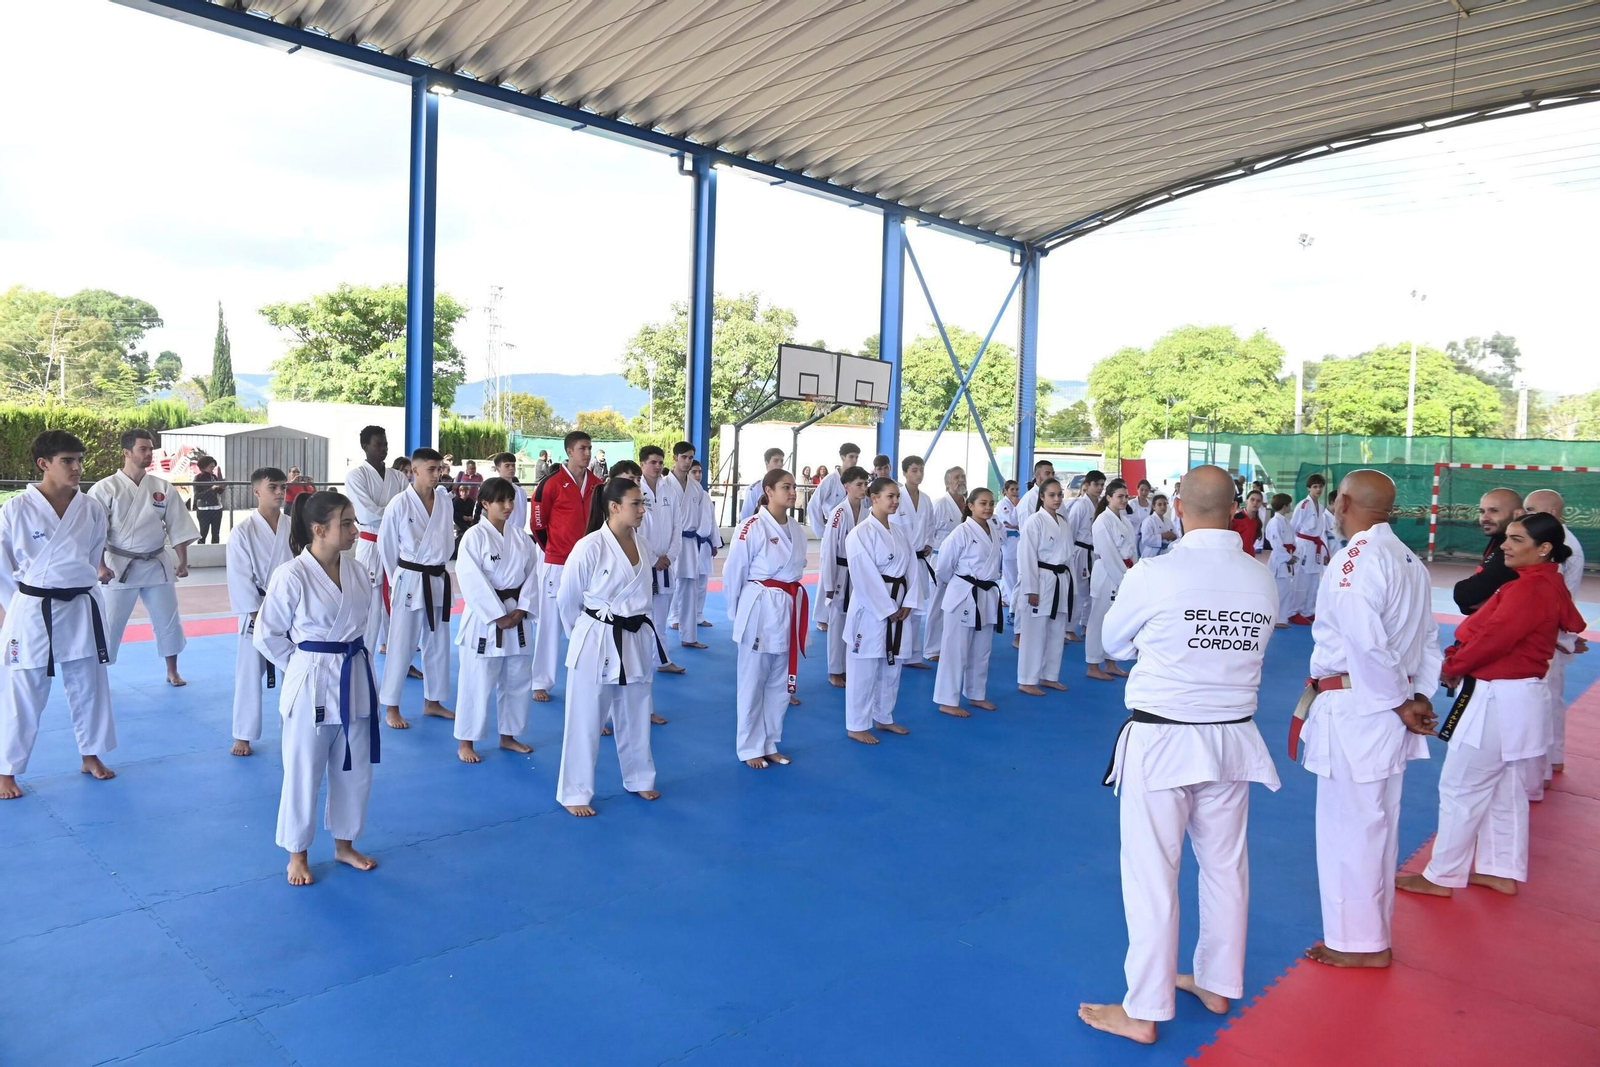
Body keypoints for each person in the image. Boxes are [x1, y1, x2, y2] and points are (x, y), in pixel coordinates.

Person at [1078, 465, 1282, 1047]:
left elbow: (1113, 642)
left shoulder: (1156, 573)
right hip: (1233, 739)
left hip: (1165, 740)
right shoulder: (1261, 579)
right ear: (1234, 510)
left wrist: (1161, 640)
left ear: (1179, 509)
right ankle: (1217, 982)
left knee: (1152, 875)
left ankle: (1143, 1010)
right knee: (1225, 867)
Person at [1395, 512, 1585, 903]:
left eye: (1516, 540)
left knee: (1461, 786)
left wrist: (1452, 667)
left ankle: (1443, 875)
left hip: (1499, 698)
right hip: (1518, 697)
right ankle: (1500, 870)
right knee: (1503, 787)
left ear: (1544, 548)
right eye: (1507, 538)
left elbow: (1493, 640)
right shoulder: (1546, 584)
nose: (1505, 546)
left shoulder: (1529, 589)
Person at [1299, 469, 1440, 969]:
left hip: (1361, 709)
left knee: (1350, 828)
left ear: (1343, 502)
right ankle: (1368, 935)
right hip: (1386, 708)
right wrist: (1418, 694)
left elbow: (1366, 643)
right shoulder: (1409, 560)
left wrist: (1403, 701)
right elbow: (1428, 640)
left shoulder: (1355, 560)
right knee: (1377, 824)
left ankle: (1358, 943)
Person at [254, 490, 380, 886]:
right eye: (347, 523)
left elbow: (364, 626)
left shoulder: (357, 571)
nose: (355, 530)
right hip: (311, 683)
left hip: (354, 677)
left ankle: (345, 844)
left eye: (354, 522)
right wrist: (303, 666)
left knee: (355, 769)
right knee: (303, 771)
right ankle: (297, 853)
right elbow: (267, 634)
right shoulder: (291, 575)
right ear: (319, 529)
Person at [0, 431, 116, 799]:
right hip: (33, 609)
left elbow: (91, 560)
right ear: (44, 463)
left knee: (89, 684)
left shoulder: (91, 509)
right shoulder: (16, 509)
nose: (77, 467)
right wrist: (12, 611)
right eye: (67, 460)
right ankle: (6, 769)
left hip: (80, 606)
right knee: (24, 689)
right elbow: (3, 567)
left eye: (79, 459)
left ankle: (90, 754)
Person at [554, 477, 663, 816]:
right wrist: (584, 635)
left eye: (643, 503)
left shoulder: (643, 545)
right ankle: (574, 791)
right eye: (636, 504)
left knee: (636, 711)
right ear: (614, 507)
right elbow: (567, 599)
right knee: (586, 717)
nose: (642, 510)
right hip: (596, 638)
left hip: (635, 637)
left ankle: (639, 777)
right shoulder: (589, 547)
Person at [89, 428, 199, 687]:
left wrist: (182, 561)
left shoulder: (162, 487)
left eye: (150, 449)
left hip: (156, 564)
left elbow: (177, 525)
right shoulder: (105, 488)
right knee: (110, 623)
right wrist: (100, 566)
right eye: (143, 449)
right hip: (119, 566)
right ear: (126, 452)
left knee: (168, 619)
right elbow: (95, 532)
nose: (149, 453)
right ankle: (98, 674)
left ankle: (172, 670)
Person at [724, 468, 810, 767]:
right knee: (753, 681)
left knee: (780, 683)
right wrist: (738, 614)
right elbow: (734, 572)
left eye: (794, 487)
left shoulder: (797, 529)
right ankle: (749, 747)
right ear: (768, 491)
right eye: (786, 487)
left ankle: (770, 742)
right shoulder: (751, 526)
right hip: (759, 609)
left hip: (789, 606)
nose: (792, 492)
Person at [453, 476, 539, 764]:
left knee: (517, 680)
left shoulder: (521, 538)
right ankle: (466, 741)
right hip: (486, 621)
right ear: (485, 503)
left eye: (510, 499)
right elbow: (470, 580)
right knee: (476, 682)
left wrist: (522, 608)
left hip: (517, 617)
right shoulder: (474, 537)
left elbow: (533, 575)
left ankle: (508, 735)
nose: (508, 506)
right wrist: (497, 615)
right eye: (500, 500)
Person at [377, 448, 455, 730]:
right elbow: (386, 546)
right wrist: (395, 579)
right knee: (402, 643)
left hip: (437, 576)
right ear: (415, 470)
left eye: (439, 469)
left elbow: (447, 539)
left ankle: (433, 701)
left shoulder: (444, 501)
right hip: (410, 576)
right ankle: (391, 706)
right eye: (431, 469)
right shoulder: (399, 503)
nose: (437, 474)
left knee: (438, 643)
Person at [844, 477, 922, 744]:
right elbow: (863, 575)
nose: (896, 501)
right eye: (890, 496)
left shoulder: (899, 532)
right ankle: (856, 724)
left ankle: (884, 716)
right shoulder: (860, 534)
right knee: (864, 667)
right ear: (874, 498)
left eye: (897, 496)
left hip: (899, 602)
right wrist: (886, 608)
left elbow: (912, 568)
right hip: (871, 608)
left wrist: (909, 601)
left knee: (892, 665)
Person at [225, 467, 293, 756]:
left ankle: (293, 727)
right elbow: (240, 578)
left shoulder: (294, 525)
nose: (280, 492)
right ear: (256, 491)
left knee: (295, 670)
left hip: (291, 607)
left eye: (283, 487)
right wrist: (259, 616)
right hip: (257, 610)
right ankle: (243, 735)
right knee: (249, 673)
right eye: (273, 487)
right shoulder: (242, 531)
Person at [1522, 489, 1586, 791]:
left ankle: (1542, 769)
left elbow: (1550, 599)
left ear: (1552, 513)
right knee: (1550, 699)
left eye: (1531, 510)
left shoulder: (1559, 546)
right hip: (1554, 631)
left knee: (1543, 701)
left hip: (1548, 633)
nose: (1525, 515)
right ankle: (1553, 759)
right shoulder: (1560, 539)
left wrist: (1562, 636)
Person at [531, 431, 597, 702]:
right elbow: (537, 523)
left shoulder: (597, 484)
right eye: (582, 448)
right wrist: (553, 550)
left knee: (588, 622)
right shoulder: (551, 483)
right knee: (550, 623)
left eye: (590, 448)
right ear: (570, 451)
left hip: (588, 564)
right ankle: (540, 681)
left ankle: (588, 677)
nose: (587, 453)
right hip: (557, 562)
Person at [933, 487, 1003, 717]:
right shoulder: (960, 532)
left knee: (982, 649)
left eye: (991, 503)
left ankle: (976, 693)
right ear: (970, 506)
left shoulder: (993, 530)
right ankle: (947, 700)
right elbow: (943, 568)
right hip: (964, 594)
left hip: (986, 594)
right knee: (956, 649)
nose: (988, 507)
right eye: (983, 503)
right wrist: (958, 584)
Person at [345, 427, 411, 659]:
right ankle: (365, 661)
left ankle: (398, 659)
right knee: (371, 607)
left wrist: (393, 513)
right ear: (365, 447)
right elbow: (366, 513)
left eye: (385, 444)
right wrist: (394, 513)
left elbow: (408, 509)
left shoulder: (398, 477)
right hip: (371, 546)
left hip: (395, 546)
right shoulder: (356, 476)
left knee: (398, 602)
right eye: (378, 444)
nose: (384, 449)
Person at [1017, 478, 1072, 697]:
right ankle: (1027, 680)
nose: (1057, 499)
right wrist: (1031, 588)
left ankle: (1050, 676)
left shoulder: (1063, 521)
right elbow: (1026, 556)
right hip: (1041, 579)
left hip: (1060, 579)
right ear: (1041, 497)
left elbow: (1068, 556)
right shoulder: (1034, 521)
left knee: (1057, 630)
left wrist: (1071, 587)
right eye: (1052, 495)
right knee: (1034, 632)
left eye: (1060, 495)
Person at [819, 467, 871, 687]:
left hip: (859, 575)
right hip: (840, 574)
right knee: (837, 623)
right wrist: (829, 585)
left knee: (856, 622)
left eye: (865, 484)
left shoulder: (867, 513)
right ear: (846, 486)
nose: (863, 488)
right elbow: (828, 550)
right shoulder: (838, 513)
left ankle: (849, 667)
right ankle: (835, 671)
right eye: (859, 484)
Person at [1086, 478, 1136, 681]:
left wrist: (1134, 574)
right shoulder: (1102, 521)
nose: (1124, 500)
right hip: (1107, 573)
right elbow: (1108, 553)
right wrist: (1124, 578)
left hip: (1124, 570)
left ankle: (1111, 662)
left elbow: (1132, 551)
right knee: (1098, 620)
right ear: (1108, 498)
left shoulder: (1125, 521)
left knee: (1115, 621)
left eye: (1126, 497)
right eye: (1120, 496)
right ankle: (1092, 664)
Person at [890, 455, 936, 669]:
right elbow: (891, 528)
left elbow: (931, 526)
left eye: (921, 470)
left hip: (920, 559)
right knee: (901, 606)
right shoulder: (896, 498)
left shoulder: (926, 499)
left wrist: (929, 543)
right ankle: (897, 651)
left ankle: (913, 656)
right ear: (905, 473)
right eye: (914, 470)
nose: (919, 474)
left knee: (917, 608)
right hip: (902, 561)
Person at [668, 442, 713, 651]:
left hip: (689, 542)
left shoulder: (696, 488)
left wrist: (706, 539)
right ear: (675, 457)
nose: (687, 461)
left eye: (690, 457)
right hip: (668, 542)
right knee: (664, 591)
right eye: (684, 457)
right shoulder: (664, 485)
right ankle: (658, 640)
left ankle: (689, 636)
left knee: (689, 589)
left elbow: (703, 517)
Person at [1452, 487, 1524, 614]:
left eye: (1494, 511)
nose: (1484, 518)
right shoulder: (1498, 538)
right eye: (1482, 511)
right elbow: (1468, 603)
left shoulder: (1515, 548)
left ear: (1517, 514)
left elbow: (1467, 595)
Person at [925, 466, 967, 660]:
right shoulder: (940, 504)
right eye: (957, 477)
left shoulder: (968, 504)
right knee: (938, 605)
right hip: (940, 559)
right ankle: (932, 649)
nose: (961, 480)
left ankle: (952, 645)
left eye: (963, 476)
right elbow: (929, 532)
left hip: (963, 563)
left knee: (957, 605)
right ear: (947, 482)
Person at [1064, 470, 1106, 640]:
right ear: (1087, 485)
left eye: (1102, 485)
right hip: (1081, 552)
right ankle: (1069, 629)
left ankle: (1087, 624)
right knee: (1080, 592)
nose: (1100, 488)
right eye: (1096, 484)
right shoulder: (1080, 505)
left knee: (1093, 590)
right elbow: (1071, 532)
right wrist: (1071, 555)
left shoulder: (1101, 505)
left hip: (1094, 553)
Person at [1287, 473, 1329, 625]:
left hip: (1316, 546)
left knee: (1314, 579)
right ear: (1309, 488)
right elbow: (1293, 527)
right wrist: (1292, 548)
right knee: (1301, 579)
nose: (1318, 490)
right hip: (1303, 545)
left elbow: (1321, 531)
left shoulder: (1321, 507)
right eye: (1315, 487)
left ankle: (1308, 610)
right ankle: (1293, 611)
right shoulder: (1303, 505)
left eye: (1320, 487)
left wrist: (1324, 551)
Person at [808, 442, 860, 538]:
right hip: (833, 527)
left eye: (857, 457)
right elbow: (813, 505)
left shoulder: (858, 480)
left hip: (854, 528)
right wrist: (822, 533)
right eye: (851, 457)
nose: (854, 460)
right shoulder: (830, 480)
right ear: (842, 457)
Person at [475, 452, 530, 535]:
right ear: (498, 468)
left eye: (513, 465)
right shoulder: (490, 489)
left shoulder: (521, 492)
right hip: (493, 533)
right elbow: (480, 513)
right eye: (507, 465)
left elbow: (522, 516)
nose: (511, 468)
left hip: (516, 534)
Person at [1264, 494, 1295, 629]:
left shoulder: (1284, 520)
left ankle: (1282, 618)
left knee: (1286, 589)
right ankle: (1276, 618)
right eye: (1289, 504)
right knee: (1280, 590)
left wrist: (1292, 554)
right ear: (1284, 506)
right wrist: (1287, 557)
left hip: (1286, 555)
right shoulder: (1275, 522)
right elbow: (1276, 543)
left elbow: (1291, 540)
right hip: (1279, 559)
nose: (1290, 507)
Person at [741, 447, 787, 522]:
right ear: (766, 464)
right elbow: (746, 516)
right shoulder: (755, 488)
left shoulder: (785, 487)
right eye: (775, 461)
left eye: (781, 461)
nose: (780, 464)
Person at [999, 479, 1021, 615]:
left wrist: (1016, 525)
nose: (1015, 492)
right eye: (1012, 489)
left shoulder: (1015, 502)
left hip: (1016, 539)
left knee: (1010, 572)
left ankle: (1004, 597)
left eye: (1017, 489)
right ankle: (1014, 602)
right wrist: (1017, 507)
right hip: (1008, 541)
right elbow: (1012, 521)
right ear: (1005, 491)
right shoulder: (1003, 504)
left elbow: (1019, 521)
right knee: (1010, 573)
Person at [191, 456, 224, 544]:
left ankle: (215, 550)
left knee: (216, 533)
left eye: (214, 466)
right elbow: (198, 495)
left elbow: (219, 492)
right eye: (211, 467)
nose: (213, 469)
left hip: (217, 508)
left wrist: (222, 487)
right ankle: (201, 550)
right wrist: (211, 489)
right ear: (203, 467)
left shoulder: (214, 477)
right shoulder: (198, 478)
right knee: (203, 532)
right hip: (204, 509)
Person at [1139, 494, 1176, 559]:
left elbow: (1175, 535)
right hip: (1151, 554)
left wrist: (1173, 536)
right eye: (1159, 504)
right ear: (1154, 507)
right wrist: (1162, 536)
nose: (1163, 507)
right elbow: (1145, 540)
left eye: (1165, 504)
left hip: (1166, 553)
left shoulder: (1168, 521)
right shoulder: (1148, 521)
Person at [1230, 489, 1264, 555]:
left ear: (1261, 504)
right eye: (1252, 499)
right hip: (1236, 555)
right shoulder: (1235, 518)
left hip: (1249, 556)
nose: (1255, 503)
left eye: (1258, 501)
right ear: (1246, 501)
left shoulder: (1257, 522)